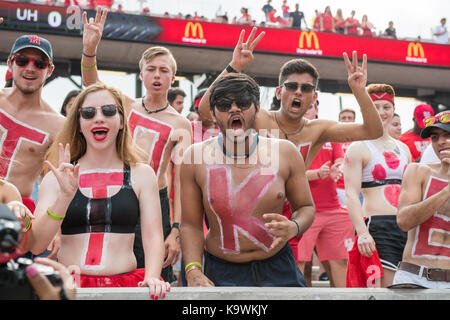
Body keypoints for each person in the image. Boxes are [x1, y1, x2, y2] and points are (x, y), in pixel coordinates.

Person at [22, 83, 169, 298]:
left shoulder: (142, 174)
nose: (98, 118)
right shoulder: (56, 178)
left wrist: (153, 276)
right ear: (79, 124)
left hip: (127, 286)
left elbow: (152, 235)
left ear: (121, 122)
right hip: (71, 288)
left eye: (108, 111)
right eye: (88, 113)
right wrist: (63, 198)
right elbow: (36, 245)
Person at [80, 8, 192, 284]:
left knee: (157, 275)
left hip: (158, 201)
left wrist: (175, 230)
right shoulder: (124, 106)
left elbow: (182, 180)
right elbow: (91, 84)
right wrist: (90, 50)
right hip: (120, 194)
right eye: (151, 69)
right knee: (118, 267)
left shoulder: (181, 124)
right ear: (141, 74)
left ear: (172, 78)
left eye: (163, 70)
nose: (157, 75)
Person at [180, 73, 315, 287]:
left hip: (278, 266)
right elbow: (190, 224)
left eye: (242, 103)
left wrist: (294, 227)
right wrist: (193, 271)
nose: (234, 109)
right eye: (224, 105)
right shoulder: (194, 157)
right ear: (214, 114)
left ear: (257, 108)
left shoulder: (285, 152)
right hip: (222, 270)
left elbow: (306, 206)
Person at [198, 27, 383, 170]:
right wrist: (235, 66)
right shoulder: (257, 117)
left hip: (294, 214)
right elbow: (206, 111)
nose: (298, 92)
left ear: (314, 97)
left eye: (306, 88)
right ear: (279, 92)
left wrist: (359, 91)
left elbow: (373, 131)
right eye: (292, 86)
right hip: (250, 209)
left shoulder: (319, 130)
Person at [344, 83, 412, 287]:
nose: (381, 112)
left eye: (386, 107)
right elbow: (351, 194)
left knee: (408, 288)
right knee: (386, 291)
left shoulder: (404, 149)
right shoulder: (358, 147)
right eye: (375, 106)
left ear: (394, 109)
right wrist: (363, 232)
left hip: (407, 226)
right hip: (377, 228)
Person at [0, 34, 65, 214]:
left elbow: (53, 183)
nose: (30, 68)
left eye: (40, 63)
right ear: (10, 63)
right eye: (22, 60)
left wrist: (55, 229)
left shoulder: (58, 125)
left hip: (16, 215)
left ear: (50, 69)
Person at [297, 102, 352, 287]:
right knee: (300, 265)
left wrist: (339, 167)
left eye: (312, 104)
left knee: (340, 262)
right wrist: (315, 174)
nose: (308, 108)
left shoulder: (330, 133)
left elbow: (340, 159)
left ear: (317, 109)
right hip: (302, 210)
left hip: (332, 209)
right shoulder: (291, 135)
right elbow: (286, 174)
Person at [394, 111, 450, 288]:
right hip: (414, 278)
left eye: (448, 135)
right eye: (435, 137)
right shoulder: (417, 171)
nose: (440, 142)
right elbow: (404, 221)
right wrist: (447, 190)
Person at [336, 108, 356, 208]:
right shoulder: (333, 138)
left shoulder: (360, 139)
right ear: (339, 120)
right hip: (338, 188)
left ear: (354, 121)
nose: (347, 120)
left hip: (357, 187)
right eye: (343, 118)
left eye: (349, 118)